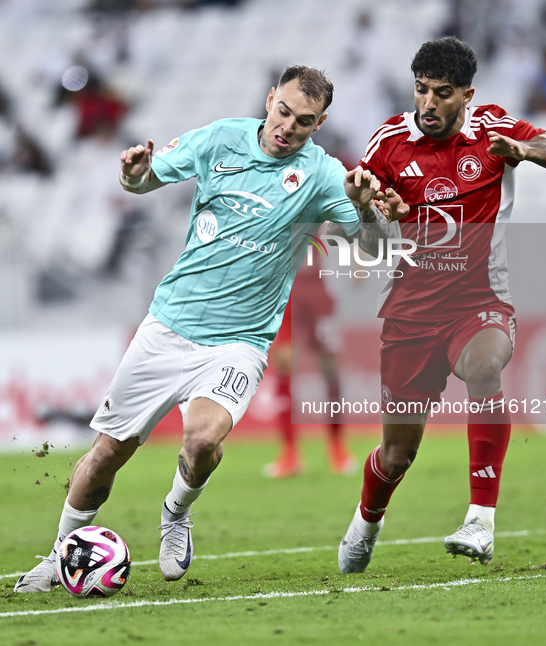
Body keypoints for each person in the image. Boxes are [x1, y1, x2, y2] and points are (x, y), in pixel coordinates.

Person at [14, 65, 391, 593]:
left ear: (320, 122)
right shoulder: (221, 138)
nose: (288, 127)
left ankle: (176, 512)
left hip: (239, 343)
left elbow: (373, 247)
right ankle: (59, 555)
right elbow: (143, 180)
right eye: (283, 112)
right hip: (167, 326)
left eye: (304, 122)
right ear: (269, 100)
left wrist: (364, 206)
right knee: (104, 456)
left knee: (203, 440)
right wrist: (133, 172)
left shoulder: (325, 175)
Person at [337, 37, 546, 573]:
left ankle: (481, 520)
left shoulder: (493, 128)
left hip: (480, 300)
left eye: (442, 94)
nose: (428, 104)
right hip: (409, 315)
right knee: (397, 455)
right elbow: (372, 246)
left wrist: (524, 151)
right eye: (421, 91)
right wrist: (367, 208)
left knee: (486, 367)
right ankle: (367, 521)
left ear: (467, 93)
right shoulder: (387, 144)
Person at [264, 265, 357, 478]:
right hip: (282, 285)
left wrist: (359, 258)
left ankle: (337, 445)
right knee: (284, 363)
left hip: (318, 285)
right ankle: (289, 453)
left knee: (329, 366)